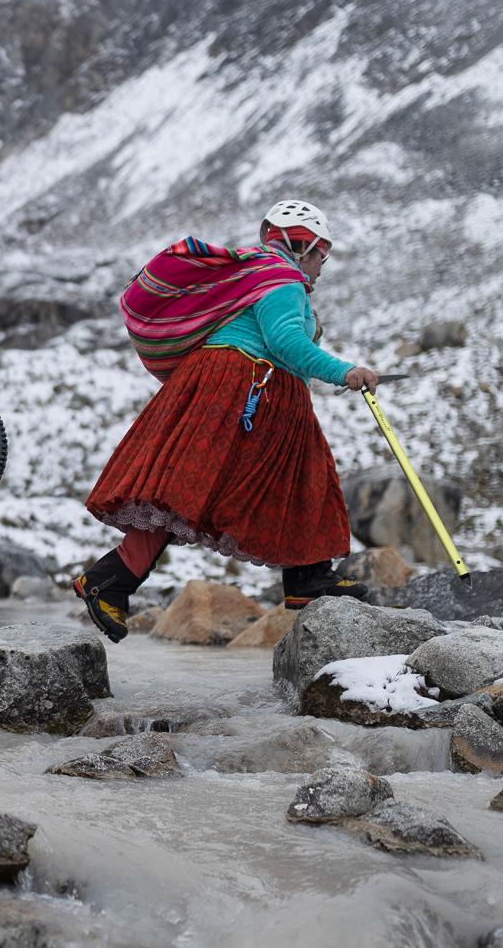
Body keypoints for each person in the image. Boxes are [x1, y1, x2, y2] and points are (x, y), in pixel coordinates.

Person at [74, 199, 380, 642]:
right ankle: (307, 579)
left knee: (189, 488)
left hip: (226, 384)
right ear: (302, 245)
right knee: (302, 477)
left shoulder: (254, 273)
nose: (322, 264)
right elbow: (285, 342)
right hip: (248, 386)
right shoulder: (283, 279)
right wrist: (344, 371)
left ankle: (113, 579)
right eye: (321, 253)